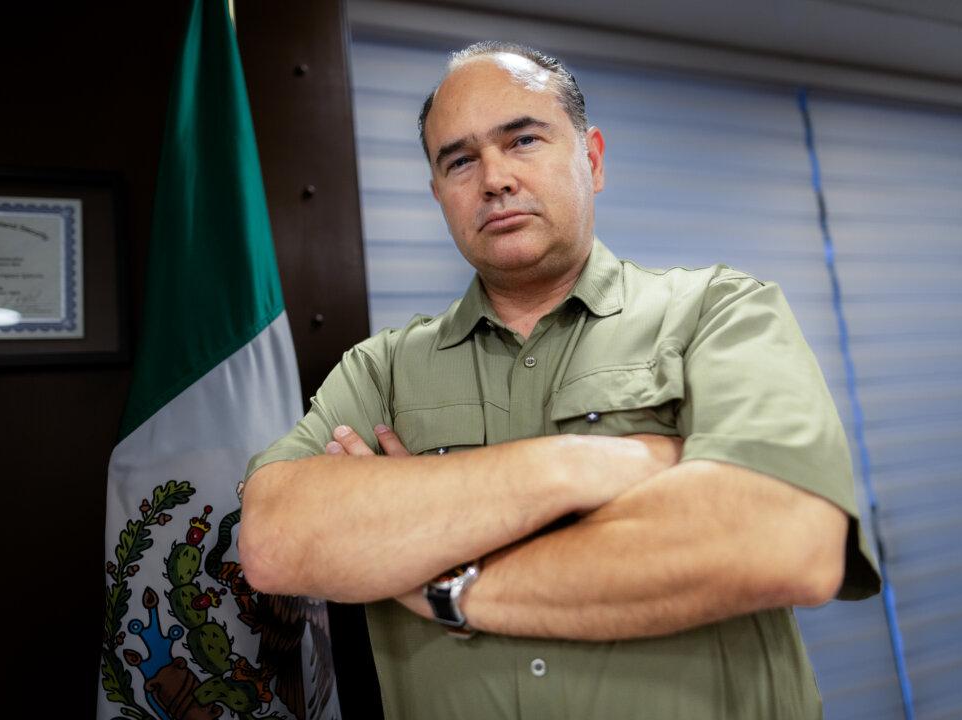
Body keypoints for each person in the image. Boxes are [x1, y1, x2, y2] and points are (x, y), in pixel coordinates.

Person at [238, 41, 881, 720]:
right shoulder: (381, 371)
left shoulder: (716, 314)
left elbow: (789, 543)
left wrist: (443, 583)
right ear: (439, 195)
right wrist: (584, 465)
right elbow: (275, 541)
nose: (494, 178)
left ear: (592, 159)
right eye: (459, 160)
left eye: (522, 140)